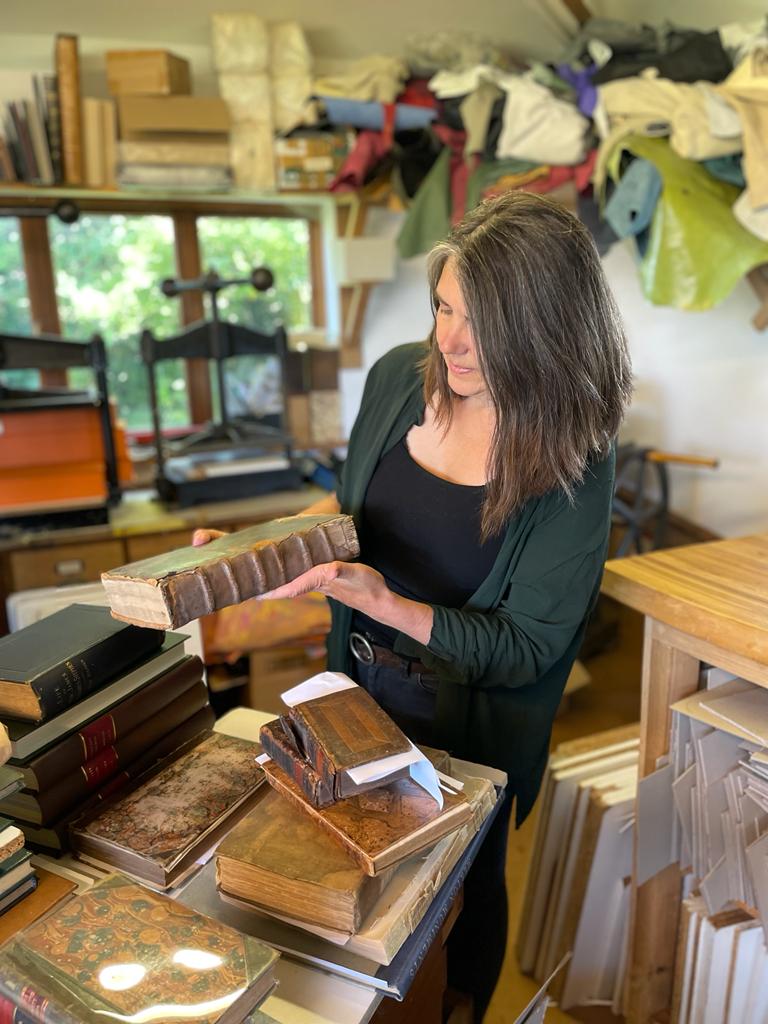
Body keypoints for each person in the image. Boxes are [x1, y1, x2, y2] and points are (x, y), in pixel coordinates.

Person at [194, 189, 632, 1021]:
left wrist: (388, 604)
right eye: (443, 306)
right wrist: (255, 548)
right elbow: (350, 513)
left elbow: (529, 646)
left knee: (451, 910)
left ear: (542, 327)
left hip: (467, 727)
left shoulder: (573, 453)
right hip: (355, 689)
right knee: (345, 896)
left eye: (484, 324)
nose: (453, 341)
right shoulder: (401, 379)